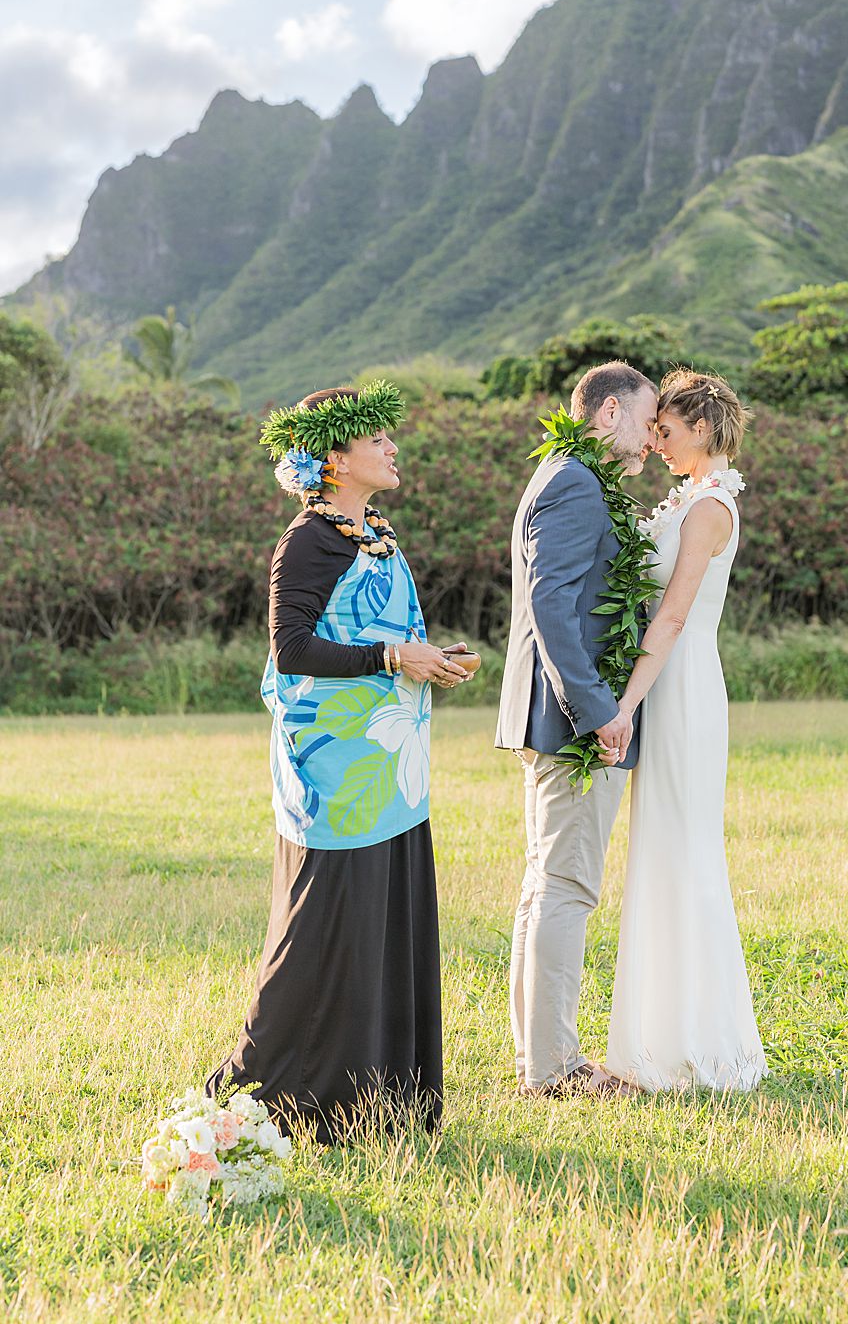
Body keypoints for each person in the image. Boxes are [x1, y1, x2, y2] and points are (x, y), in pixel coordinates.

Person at [207, 382, 474, 1139]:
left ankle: (380, 1100)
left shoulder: (376, 531)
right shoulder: (308, 541)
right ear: (335, 457)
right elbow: (291, 649)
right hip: (335, 771)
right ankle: (262, 1094)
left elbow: (381, 635)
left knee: (386, 919)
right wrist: (393, 655)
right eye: (378, 439)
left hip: (390, 765)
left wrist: (430, 659)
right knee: (322, 923)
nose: (393, 449)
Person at [496, 361, 660, 1097]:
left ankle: (541, 1059)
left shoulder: (571, 477)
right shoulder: (574, 483)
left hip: (554, 716)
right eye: (648, 419)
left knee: (547, 887)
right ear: (607, 414)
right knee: (565, 888)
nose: (655, 437)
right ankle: (555, 1070)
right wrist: (598, 712)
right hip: (571, 722)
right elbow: (550, 606)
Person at [605, 368, 768, 1092]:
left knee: (687, 848)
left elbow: (671, 616)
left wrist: (627, 702)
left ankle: (700, 1041)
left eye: (664, 431)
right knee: (661, 848)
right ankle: (660, 1035)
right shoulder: (691, 498)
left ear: (700, 428)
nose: (655, 442)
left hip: (683, 683)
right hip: (667, 678)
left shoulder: (710, 509)